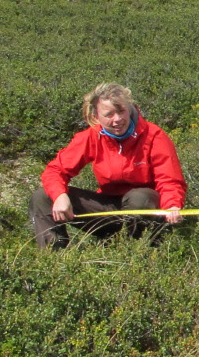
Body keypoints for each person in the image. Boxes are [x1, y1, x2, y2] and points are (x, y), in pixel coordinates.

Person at [30, 82, 185, 249]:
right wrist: (60, 196)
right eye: (109, 114)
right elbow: (55, 170)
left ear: (130, 108)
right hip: (108, 209)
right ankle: (54, 260)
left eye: (121, 111)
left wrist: (172, 205)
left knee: (139, 198)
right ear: (96, 117)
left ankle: (137, 252)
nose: (117, 119)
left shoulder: (153, 135)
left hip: (145, 207)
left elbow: (170, 180)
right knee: (43, 196)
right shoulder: (91, 137)